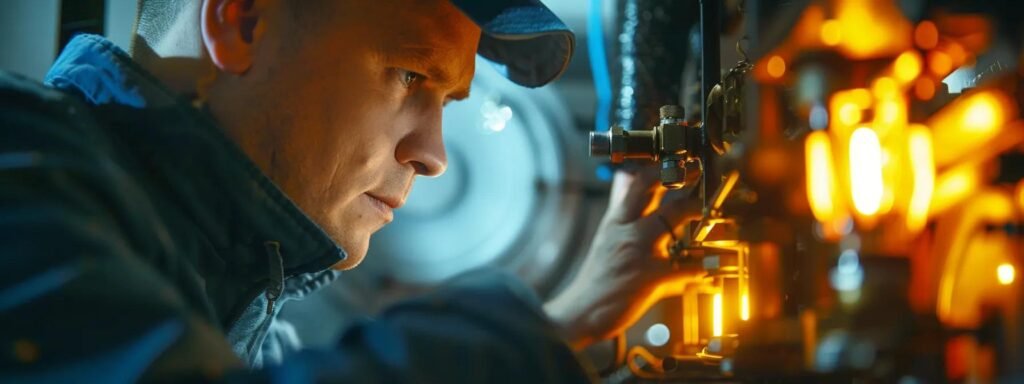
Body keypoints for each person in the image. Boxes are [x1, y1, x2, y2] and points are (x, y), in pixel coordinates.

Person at [0, 0, 698, 381]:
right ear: (241, 21)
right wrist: (555, 329)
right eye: (411, 75)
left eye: (449, 101)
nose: (433, 158)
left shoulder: (234, 302)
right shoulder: (18, 171)